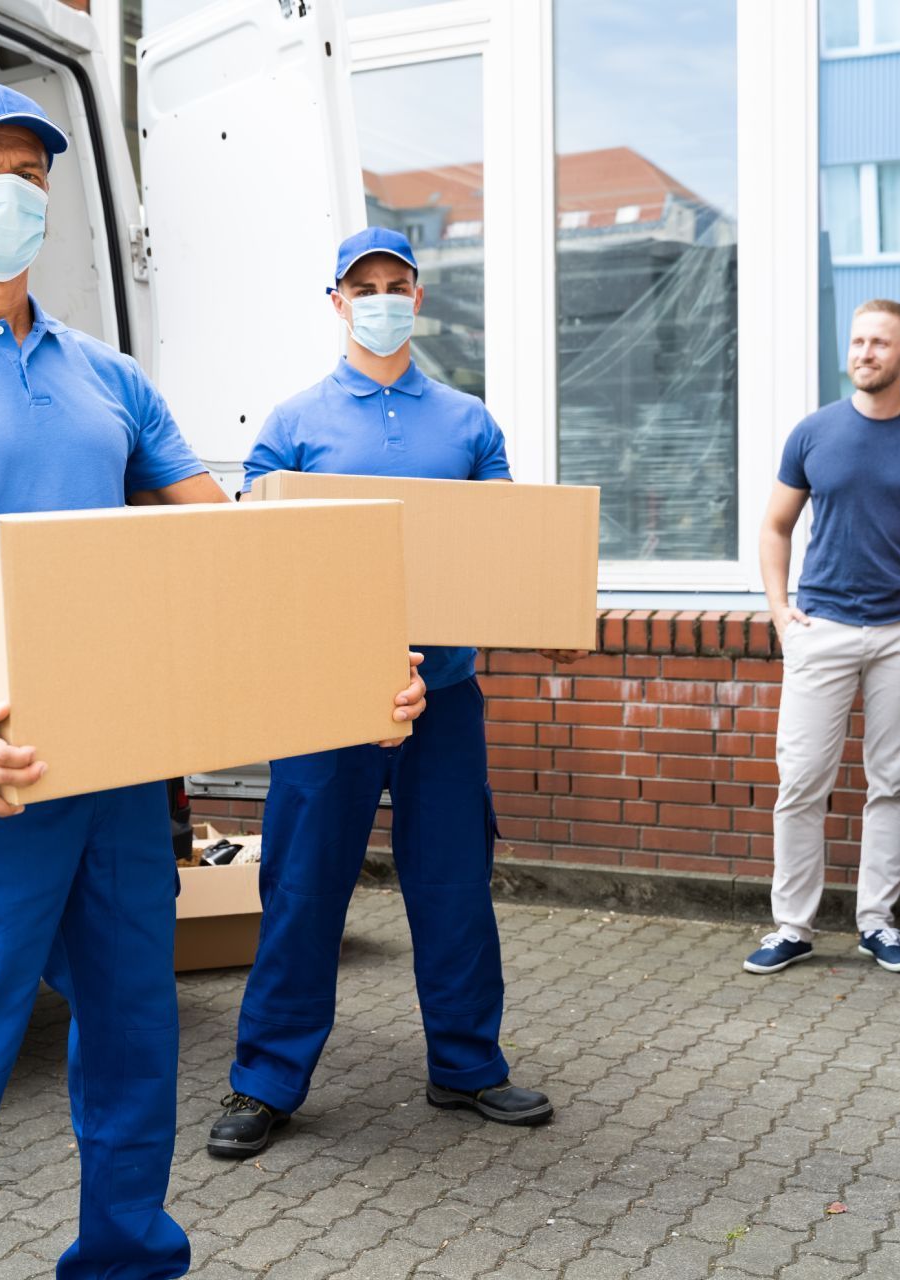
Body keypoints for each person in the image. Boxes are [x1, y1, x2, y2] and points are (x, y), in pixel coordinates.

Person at [0, 85, 428, 1280]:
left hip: (124, 779)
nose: (6, 189)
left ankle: (130, 1259)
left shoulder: (108, 380)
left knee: (137, 1036)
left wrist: (357, 660)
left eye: (30, 172)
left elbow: (241, 554)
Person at [206, 228, 572, 1159]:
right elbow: (261, 563)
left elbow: (494, 560)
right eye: (361, 285)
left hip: (443, 693)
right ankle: (265, 1081)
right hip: (323, 697)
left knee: (452, 882)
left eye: (395, 284)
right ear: (335, 301)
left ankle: (467, 1066)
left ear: (418, 297)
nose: (380, 298)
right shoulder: (292, 425)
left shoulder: (467, 423)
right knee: (300, 885)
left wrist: (421, 654)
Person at [747, 301, 900, 977]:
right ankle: (793, 925)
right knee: (802, 781)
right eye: (858, 340)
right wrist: (781, 611)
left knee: (892, 780)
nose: (866, 352)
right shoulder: (814, 432)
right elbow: (776, 526)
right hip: (822, 628)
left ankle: (877, 921)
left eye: (881, 343)